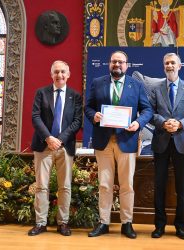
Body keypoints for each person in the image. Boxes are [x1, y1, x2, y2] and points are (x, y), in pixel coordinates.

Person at [85, 51, 153, 239]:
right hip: (104, 141)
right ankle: (104, 221)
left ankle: (127, 223)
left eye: (120, 62)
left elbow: (147, 109)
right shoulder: (98, 83)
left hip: (127, 140)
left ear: (127, 65)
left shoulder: (136, 85)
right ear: (109, 64)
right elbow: (88, 107)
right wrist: (94, 116)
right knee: (104, 184)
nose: (117, 64)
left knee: (127, 185)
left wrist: (138, 123)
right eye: (114, 61)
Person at [149, 53, 184, 240]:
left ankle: (180, 226)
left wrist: (179, 124)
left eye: (173, 63)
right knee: (159, 186)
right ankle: (159, 225)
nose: (169, 66)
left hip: (182, 143)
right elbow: (150, 113)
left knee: (182, 187)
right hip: (161, 142)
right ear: (163, 66)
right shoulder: (156, 88)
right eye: (166, 63)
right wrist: (164, 123)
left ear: (180, 66)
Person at [28, 61, 83, 236]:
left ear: (69, 74)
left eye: (62, 72)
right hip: (43, 146)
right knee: (41, 187)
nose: (59, 75)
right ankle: (41, 223)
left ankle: (63, 223)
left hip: (64, 147)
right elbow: (35, 117)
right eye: (56, 72)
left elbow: (77, 122)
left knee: (65, 187)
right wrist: (49, 138)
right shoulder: (41, 93)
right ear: (51, 74)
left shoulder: (75, 96)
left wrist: (59, 140)